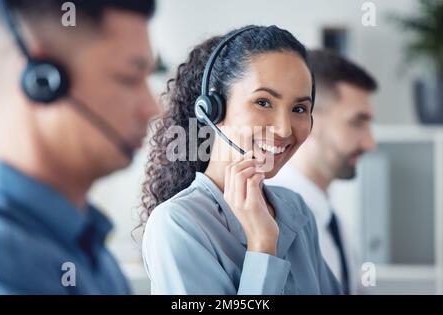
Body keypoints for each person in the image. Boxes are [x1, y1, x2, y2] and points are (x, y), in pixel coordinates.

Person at [141, 25, 342, 295]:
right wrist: (262, 244)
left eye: (299, 109)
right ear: (213, 109)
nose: (284, 129)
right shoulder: (177, 223)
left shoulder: (296, 210)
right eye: (263, 102)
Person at [0, 0, 159, 294]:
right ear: (43, 81)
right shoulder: (5, 267)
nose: (153, 108)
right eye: (130, 77)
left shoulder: (91, 249)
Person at [267, 49, 378, 294]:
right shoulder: (271, 222)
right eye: (357, 123)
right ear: (308, 118)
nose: (370, 143)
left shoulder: (336, 224)